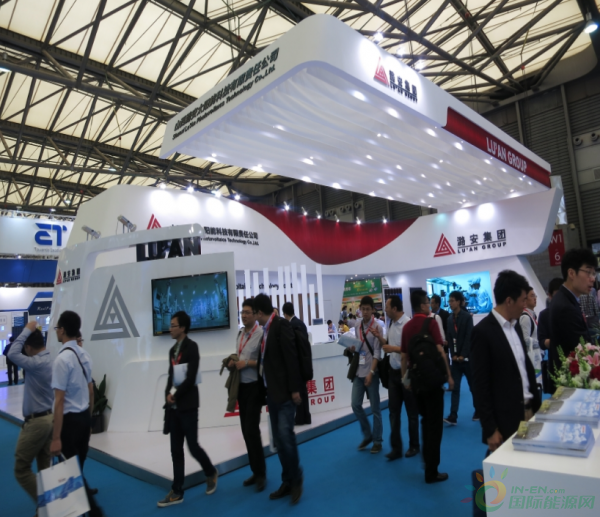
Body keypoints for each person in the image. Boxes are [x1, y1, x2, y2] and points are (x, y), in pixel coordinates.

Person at [471, 271, 542, 454]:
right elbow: (480, 385)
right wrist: (490, 429)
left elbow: (523, 368)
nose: (525, 305)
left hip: (529, 412)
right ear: (509, 301)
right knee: (507, 469)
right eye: (523, 300)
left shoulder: (515, 326)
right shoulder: (483, 332)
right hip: (505, 421)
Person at [159, 311, 218, 507]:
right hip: (174, 408)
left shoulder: (192, 347)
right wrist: (167, 394)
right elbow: (171, 376)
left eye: (173, 325)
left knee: (193, 446)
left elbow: (191, 378)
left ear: (183, 328)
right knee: (175, 450)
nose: (170, 328)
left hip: (188, 406)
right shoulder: (172, 351)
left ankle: (210, 471)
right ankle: (177, 490)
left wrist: (175, 395)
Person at [50, 310, 104, 517]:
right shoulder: (85, 355)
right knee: (76, 469)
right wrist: (89, 421)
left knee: (73, 473)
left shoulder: (62, 360)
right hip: (84, 418)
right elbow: (90, 391)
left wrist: (56, 437)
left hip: (70, 423)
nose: (57, 331)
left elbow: (59, 400)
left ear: (63, 330)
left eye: (57, 328)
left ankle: (95, 512)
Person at [254, 294, 303, 505]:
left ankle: (296, 479)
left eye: (253, 313)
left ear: (259, 312)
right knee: (279, 441)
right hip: (272, 394)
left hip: (285, 394)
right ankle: (287, 481)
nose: (253, 317)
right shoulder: (266, 330)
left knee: (285, 436)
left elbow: (291, 358)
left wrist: (295, 389)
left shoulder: (281, 326)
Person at [401, 290, 453, 484]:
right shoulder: (431, 323)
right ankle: (432, 470)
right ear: (422, 305)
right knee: (435, 425)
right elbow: (440, 350)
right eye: (427, 302)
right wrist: (449, 375)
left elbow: (404, 357)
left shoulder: (407, 327)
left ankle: (426, 461)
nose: (429, 305)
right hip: (433, 381)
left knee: (424, 421)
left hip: (416, 382)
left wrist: (405, 380)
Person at [7, 321, 53, 505]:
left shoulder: (36, 363)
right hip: (49, 419)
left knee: (21, 469)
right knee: (45, 470)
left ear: (28, 347)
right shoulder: (50, 360)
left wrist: (26, 330)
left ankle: (48, 505)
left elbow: (12, 353)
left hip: (37, 423)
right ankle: (45, 512)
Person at [230, 299, 266, 491]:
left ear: (255, 314)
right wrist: (233, 362)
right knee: (245, 431)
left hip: (254, 387)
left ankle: (261, 474)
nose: (243, 315)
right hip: (241, 388)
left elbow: (265, 363)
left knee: (252, 430)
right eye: (242, 312)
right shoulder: (240, 334)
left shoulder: (260, 334)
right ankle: (255, 471)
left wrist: (246, 364)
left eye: (247, 312)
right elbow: (240, 355)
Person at [548, 248, 596, 390]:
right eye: (588, 272)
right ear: (571, 273)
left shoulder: (567, 299)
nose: (592, 278)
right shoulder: (565, 306)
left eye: (594, 273)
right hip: (571, 383)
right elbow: (582, 347)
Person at [380, 295, 419, 460]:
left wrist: (392, 349)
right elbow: (389, 345)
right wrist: (380, 339)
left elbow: (411, 349)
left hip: (407, 373)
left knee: (411, 413)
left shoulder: (408, 324)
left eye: (387, 307)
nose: (385, 310)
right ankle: (396, 448)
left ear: (394, 309)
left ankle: (414, 445)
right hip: (393, 373)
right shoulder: (390, 323)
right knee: (393, 412)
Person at [347, 295, 383, 453]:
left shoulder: (377, 327)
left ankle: (377, 441)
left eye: (368, 309)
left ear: (373, 310)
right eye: (363, 309)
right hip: (358, 371)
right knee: (355, 404)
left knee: (375, 408)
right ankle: (368, 434)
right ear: (360, 310)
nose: (366, 312)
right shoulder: (357, 325)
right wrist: (353, 348)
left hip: (371, 372)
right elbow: (359, 346)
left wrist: (371, 372)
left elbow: (377, 353)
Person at [444, 290, 475, 425]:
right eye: (449, 301)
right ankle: (453, 415)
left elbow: (469, 337)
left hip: (467, 359)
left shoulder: (467, 317)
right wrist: (454, 355)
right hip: (456, 360)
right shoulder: (449, 319)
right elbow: (450, 339)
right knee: (455, 388)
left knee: (473, 386)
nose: (450, 303)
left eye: (452, 301)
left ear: (458, 302)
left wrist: (463, 354)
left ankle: (479, 410)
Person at [282, 301, 312, 426]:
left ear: (285, 314)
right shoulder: (301, 324)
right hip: (305, 361)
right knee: (303, 390)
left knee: (298, 391)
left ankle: (299, 418)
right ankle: (306, 416)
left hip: (296, 363)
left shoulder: (290, 326)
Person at [520, 286, 542, 382]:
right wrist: (541, 343)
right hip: (532, 358)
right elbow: (525, 340)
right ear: (525, 300)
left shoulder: (531, 315)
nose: (535, 298)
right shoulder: (525, 317)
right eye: (532, 296)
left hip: (536, 357)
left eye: (535, 296)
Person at [537, 278, 563, 351]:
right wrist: (556, 341)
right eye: (557, 296)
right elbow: (541, 342)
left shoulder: (572, 311)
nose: (560, 299)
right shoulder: (544, 315)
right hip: (556, 354)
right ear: (550, 296)